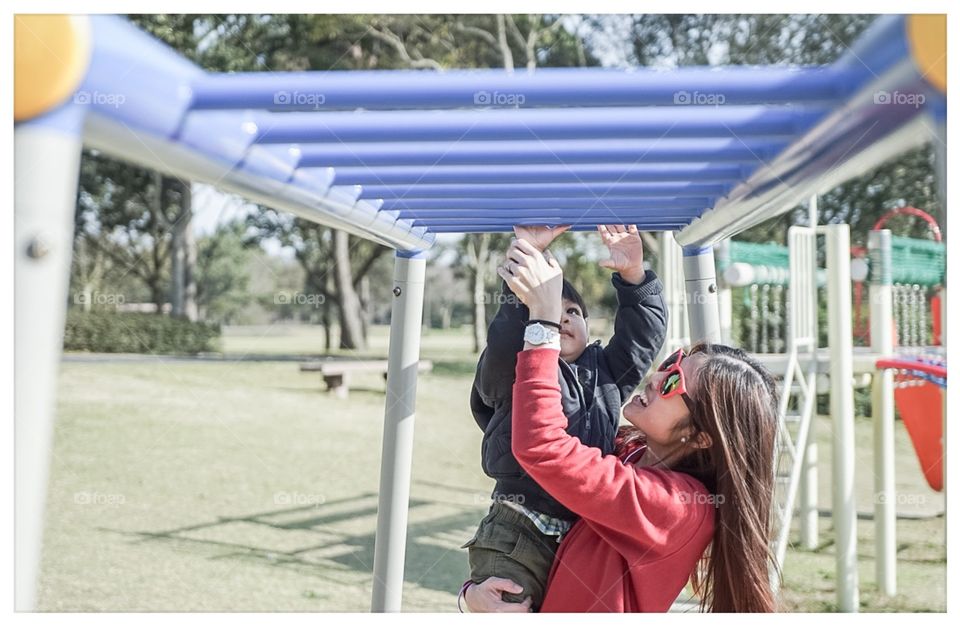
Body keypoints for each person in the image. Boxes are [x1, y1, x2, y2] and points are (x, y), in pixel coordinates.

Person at [463, 238, 780, 612]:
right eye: (672, 362)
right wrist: (634, 277)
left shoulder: (678, 508)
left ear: (700, 436)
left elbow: (544, 447)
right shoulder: (630, 452)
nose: (657, 376)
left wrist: (543, 323)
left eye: (674, 381)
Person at [462, 225, 668, 611]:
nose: (564, 319)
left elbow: (643, 338)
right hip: (516, 527)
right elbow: (506, 339)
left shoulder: (606, 373)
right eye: (552, 313)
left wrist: (634, 275)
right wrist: (525, 264)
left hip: (579, 533)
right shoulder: (517, 372)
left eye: (573, 311)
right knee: (509, 607)